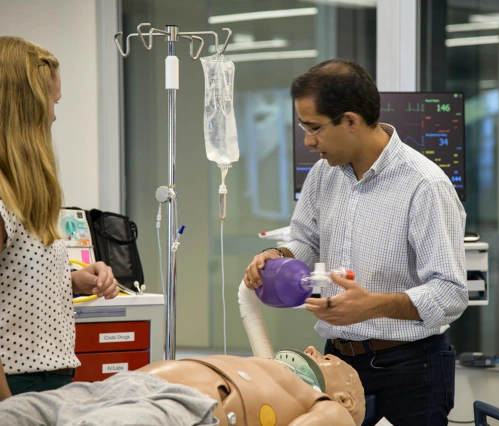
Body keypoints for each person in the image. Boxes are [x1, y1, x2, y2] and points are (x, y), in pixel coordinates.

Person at [244, 59, 468, 426]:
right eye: (303, 127)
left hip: (409, 369)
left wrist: (372, 306)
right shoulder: (323, 174)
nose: (307, 140)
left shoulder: (425, 186)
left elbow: (451, 293)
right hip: (336, 363)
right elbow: (306, 240)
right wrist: (277, 254)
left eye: (314, 127)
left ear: (350, 120)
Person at [0, 36, 119, 401]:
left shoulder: (24, 193)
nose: (54, 115)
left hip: (49, 380)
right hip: (17, 386)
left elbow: (14, 279)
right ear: (28, 108)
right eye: (52, 103)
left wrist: (72, 282)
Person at [0, 346, 365, 426]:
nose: (314, 350)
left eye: (328, 360)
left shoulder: (331, 409)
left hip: (190, 407)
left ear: (344, 397)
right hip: (121, 385)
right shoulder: (267, 366)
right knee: (15, 413)